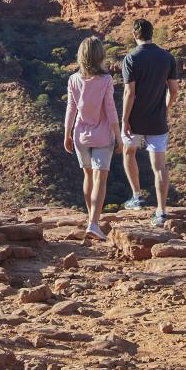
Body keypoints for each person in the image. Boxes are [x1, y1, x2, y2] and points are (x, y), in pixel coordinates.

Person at [121, 19, 179, 226]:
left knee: (129, 152)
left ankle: (136, 197)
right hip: (157, 119)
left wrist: (125, 119)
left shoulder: (131, 58)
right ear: (152, 33)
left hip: (135, 118)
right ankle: (161, 211)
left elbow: (129, 92)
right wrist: (165, 108)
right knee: (159, 166)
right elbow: (173, 90)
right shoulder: (167, 57)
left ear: (134, 35)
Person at [64, 35, 120, 240]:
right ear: (100, 56)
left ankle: (91, 219)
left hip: (80, 135)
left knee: (88, 176)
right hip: (103, 136)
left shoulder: (73, 79)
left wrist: (67, 133)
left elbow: (71, 108)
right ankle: (94, 223)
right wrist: (118, 136)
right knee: (100, 178)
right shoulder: (105, 80)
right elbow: (111, 109)